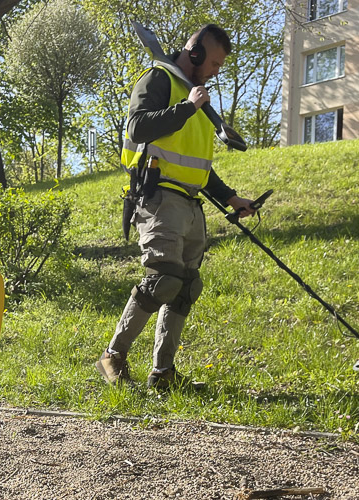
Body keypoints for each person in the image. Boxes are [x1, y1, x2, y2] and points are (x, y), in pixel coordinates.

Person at [96, 23, 255, 390]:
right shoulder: (159, 80)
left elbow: (197, 162)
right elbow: (137, 128)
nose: (216, 71)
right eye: (214, 62)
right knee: (163, 280)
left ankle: (163, 374)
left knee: (185, 287)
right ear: (195, 53)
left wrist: (231, 197)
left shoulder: (195, 98)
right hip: (158, 196)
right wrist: (186, 107)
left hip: (190, 203)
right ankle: (112, 356)